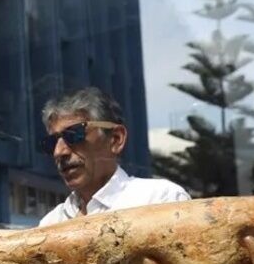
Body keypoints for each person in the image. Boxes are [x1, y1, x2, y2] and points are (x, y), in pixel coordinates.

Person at [38, 87, 190, 227]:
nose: (59, 152)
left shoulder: (159, 200)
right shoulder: (50, 223)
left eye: (73, 134)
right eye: (51, 142)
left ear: (116, 139)